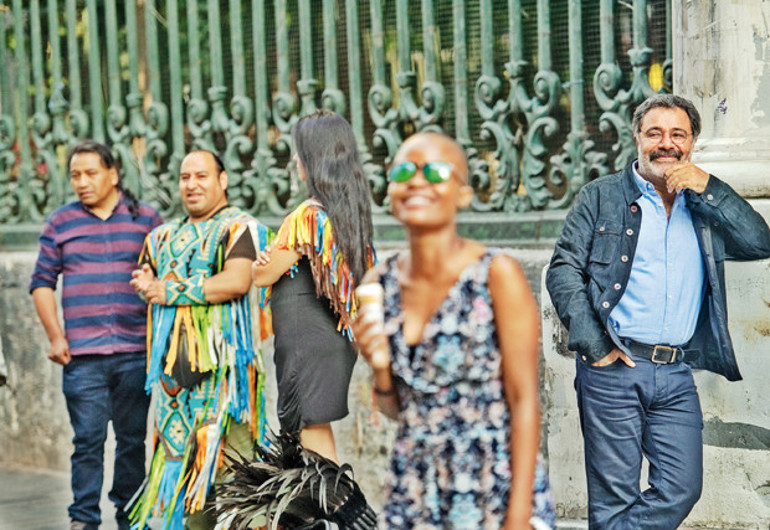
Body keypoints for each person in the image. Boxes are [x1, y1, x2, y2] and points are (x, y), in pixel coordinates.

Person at [546, 94, 770, 528]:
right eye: (655, 133)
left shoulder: (703, 203)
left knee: (681, 488)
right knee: (614, 498)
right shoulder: (600, 196)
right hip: (614, 368)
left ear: (692, 143)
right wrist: (595, 346)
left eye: (678, 135)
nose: (666, 143)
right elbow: (564, 269)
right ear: (637, 138)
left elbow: (760, 241)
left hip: (675, 374)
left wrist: (711, 187)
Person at [352, 131, 555, 529]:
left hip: (490, 480)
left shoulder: (496, 275)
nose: (417, 181)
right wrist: (378, 367)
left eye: (435, 172)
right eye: (404, 171)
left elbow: (525, 402)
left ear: (463, 195)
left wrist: (518, 518)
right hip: (415, 483)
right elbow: (399, 410)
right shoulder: (380, 283)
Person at [128, 149, 272, 529]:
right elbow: (147, 282)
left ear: (222, 180)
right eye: (184, 177)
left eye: (201, 176)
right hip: (174, 390)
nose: (191, 184)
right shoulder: (160, 236)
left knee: (241, 486)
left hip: (226, 385)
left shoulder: (240, 228)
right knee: (192, 499)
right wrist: (146, 285)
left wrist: (168, 290)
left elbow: (236, 282)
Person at [29, 140, 163, 530]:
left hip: (135, 353)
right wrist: (56, 337)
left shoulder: (147, 219)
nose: (82, 182)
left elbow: (164, 278)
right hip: (83, 358)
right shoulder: (61, 222)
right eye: (75, 175)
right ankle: (83, 518)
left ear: (113, 174)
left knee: (132, 442)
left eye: (90, 173)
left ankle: (131, 517)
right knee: (87, 441)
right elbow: (41, 283)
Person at [251, 109, 375, 463]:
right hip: (326, 342)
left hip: (308, 344)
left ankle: (341, 501)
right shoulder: (348, 215)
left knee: (313, 442)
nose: (295, 159)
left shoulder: (307, 216)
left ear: (315, 157)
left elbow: (262, 275)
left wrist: (263, 262)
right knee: (312, 437)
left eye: (300, 151)